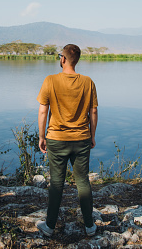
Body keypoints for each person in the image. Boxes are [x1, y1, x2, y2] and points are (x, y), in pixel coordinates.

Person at [35, 44, 98, 237]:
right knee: (82, 181)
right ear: (76, 60)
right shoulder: (88, 82)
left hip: (56, 139)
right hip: (81, 139)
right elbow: (93, 111)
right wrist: (92, 135)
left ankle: (50, 226)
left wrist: (41, 136)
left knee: (56, 183)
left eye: (59, 56)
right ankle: (89, 225)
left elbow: (43, 110)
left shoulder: (50, 80)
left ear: (63, 59)